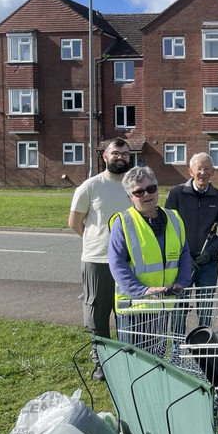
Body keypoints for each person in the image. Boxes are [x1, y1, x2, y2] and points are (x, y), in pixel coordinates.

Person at [108, 166, 192, 355]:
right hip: (135, 307)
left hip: (162, 305)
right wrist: (142, 291)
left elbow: (184, 253)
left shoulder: (174, 218)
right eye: (139, 192)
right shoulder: (123, 222)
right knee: (135, 361)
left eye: (151, 188)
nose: (147, 194)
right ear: (130, 196)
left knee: (158, 357)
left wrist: (182, 281)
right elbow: (116, 264)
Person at [69, 137, 132, 380]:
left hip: (129, 262)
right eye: (116, 153)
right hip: (98, 261)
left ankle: (128, 361)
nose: (120, 157)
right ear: (105, 156)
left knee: (128, 315)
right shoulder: (90, 186)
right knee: (97, 315)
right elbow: (75, 222)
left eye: (125, 154)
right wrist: (96, 241)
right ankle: (101, 363)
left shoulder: (134, 186)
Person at [166, 153, 218, 337]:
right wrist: (185, 257)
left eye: (207, 169)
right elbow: (169, 229)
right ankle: (177, 346)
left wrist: (210, 252)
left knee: (205, 309)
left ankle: (203, 347)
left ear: (213, 171)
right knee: (180, 307)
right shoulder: (176, 194)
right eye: (199, 169)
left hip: (208, 264)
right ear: (191, 171)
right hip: (182, 263)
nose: (203, 173)